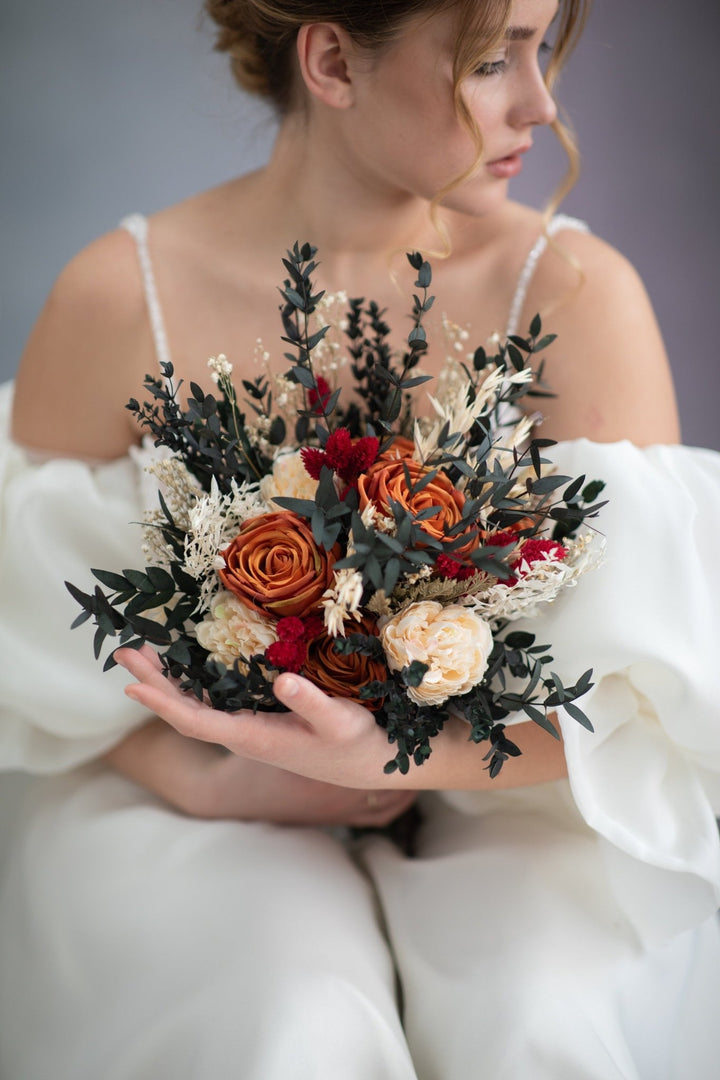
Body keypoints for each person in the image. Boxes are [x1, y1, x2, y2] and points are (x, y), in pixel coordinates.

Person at [1, 0, 719, 1076]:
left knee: (538, 1018)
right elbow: (18, 635)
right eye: (490, 60)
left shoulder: (576, 296)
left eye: (544, 48)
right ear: (333, 58)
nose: (542, 104)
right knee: (279, 1021)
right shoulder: (116, 299)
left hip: (516, 792)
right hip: (188, 789)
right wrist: (187, 772)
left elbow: (657, 704)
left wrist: (400, 755)